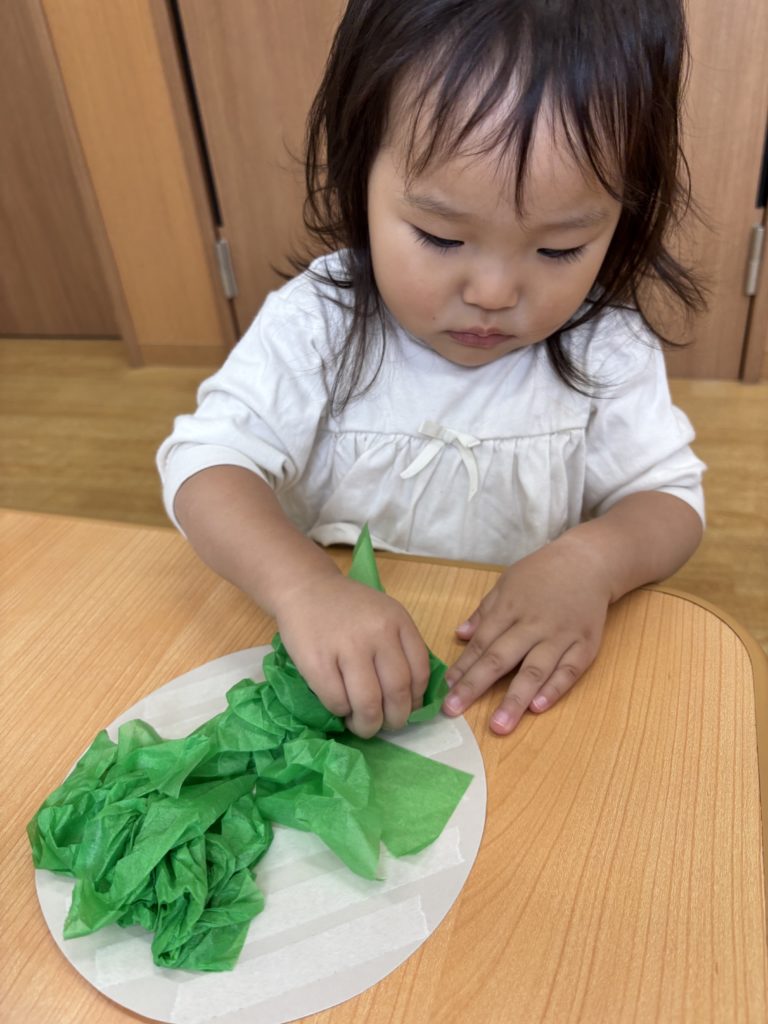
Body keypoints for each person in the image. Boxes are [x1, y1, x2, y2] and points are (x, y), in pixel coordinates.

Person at [157, 0, 706, 740]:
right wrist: (302, 585)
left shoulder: (604, 344)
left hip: (501, 678)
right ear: (360, 176)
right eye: (442, 237)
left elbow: (669, 499)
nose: (494, 293)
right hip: (330, 664)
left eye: (559, 249)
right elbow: (205, 463)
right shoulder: (318, 320)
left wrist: (592, 563)